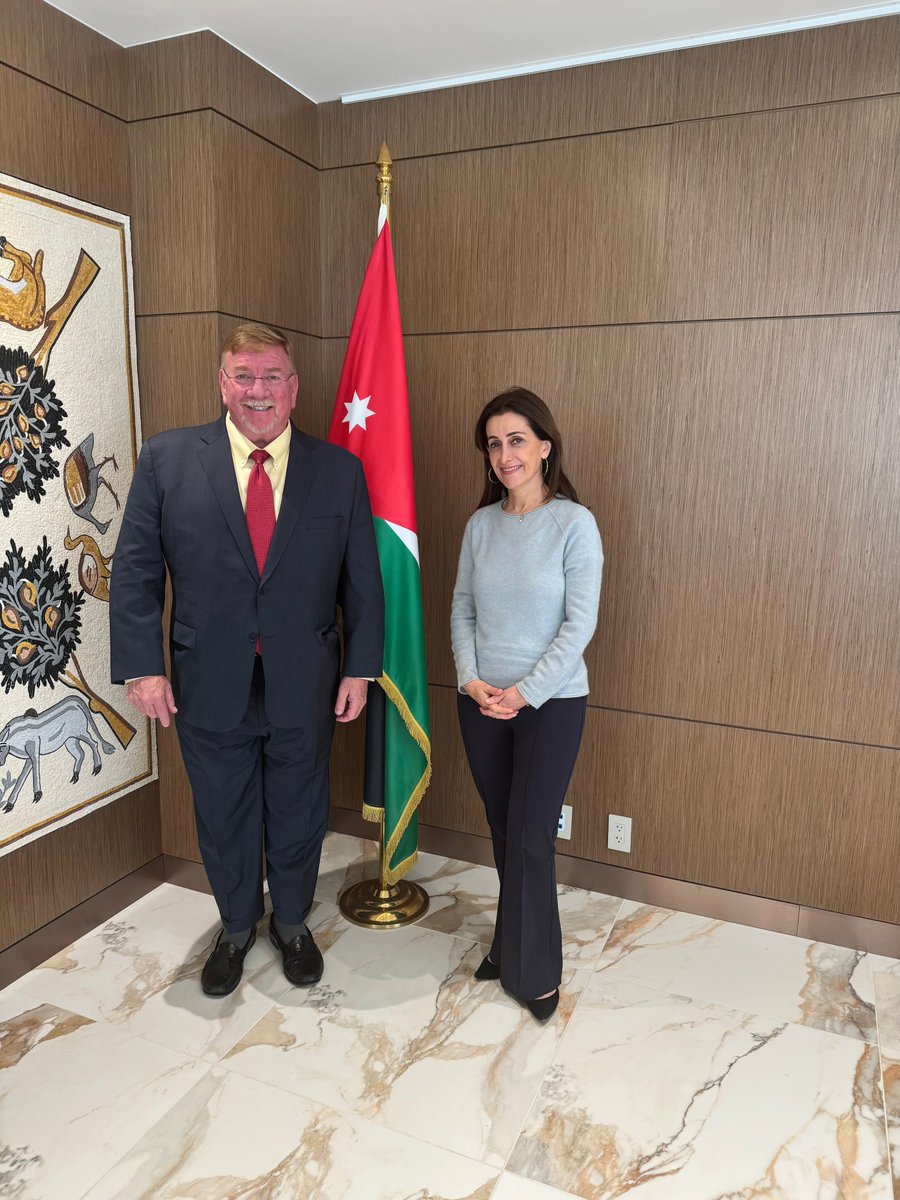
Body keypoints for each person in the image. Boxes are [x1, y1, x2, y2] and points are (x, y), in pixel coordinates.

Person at [110, 323, 384, 997]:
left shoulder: (338, 471)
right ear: (222, 382)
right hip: (208, 682)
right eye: (243, 376)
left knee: (298, 810)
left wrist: (360, 667)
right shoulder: (168, 460)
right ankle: (236, 928)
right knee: (224, 812)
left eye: (271, 377)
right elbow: (137, 572)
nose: (258, 391)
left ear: (293, 387)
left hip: (308, 681)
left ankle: (292, 923)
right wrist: (144, 667)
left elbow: (363, 581)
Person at [450, 387, 603, 1021]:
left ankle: (535, 973)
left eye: (516, 440)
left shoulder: (574, 523)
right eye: (494, 443)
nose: (505, 454)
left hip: (551, 703)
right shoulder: (480, 526)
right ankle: (509, 946)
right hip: (482, 702)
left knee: (532, 835)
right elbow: (462, 608)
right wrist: (470, 679)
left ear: (544, 446)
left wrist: (525, 691)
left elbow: (580, 623)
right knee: (503, 827)